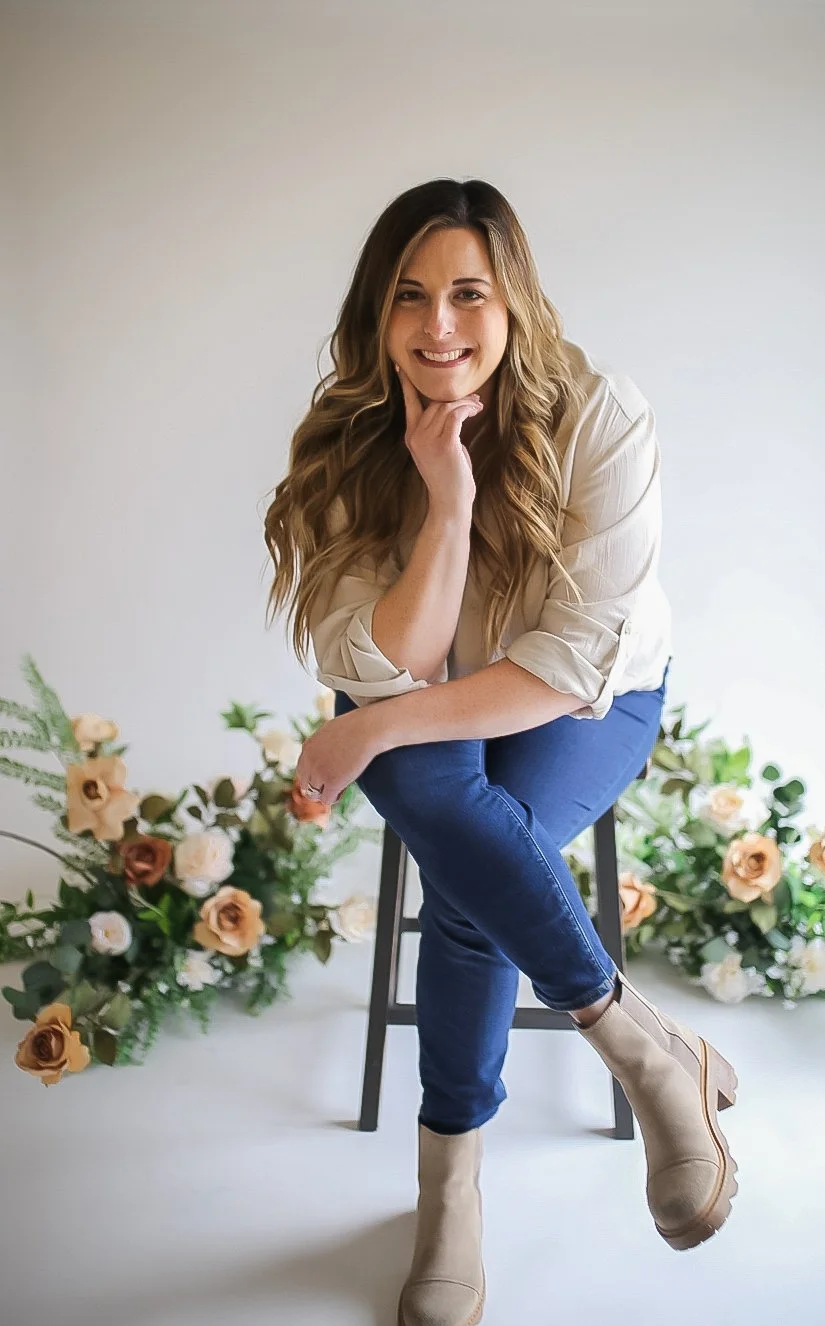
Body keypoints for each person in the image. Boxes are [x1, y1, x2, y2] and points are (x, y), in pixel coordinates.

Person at [263, 178, 739, 1326]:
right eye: (409, 296)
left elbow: (572, 666)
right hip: (420, 689)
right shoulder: (349, 444)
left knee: (472, 870)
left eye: (468, 293)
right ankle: (644, 1048)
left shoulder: (599, 416)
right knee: (465, 832)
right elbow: (394, 661)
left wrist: (372, 726)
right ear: (376, 312)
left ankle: (449, 1188)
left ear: (513, 298)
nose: (439, 325)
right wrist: (447, 505)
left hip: (585, 703)